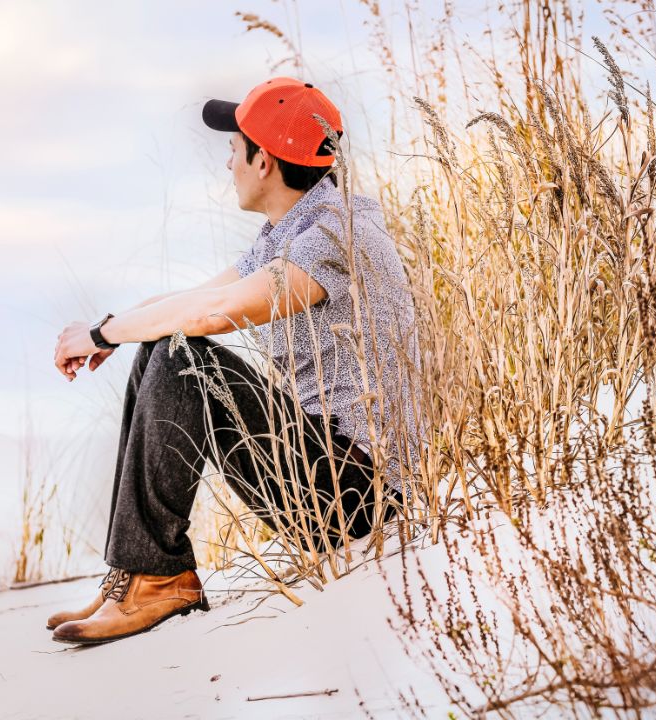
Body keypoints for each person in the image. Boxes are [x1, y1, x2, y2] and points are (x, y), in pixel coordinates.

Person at [46, 77, 422, 645]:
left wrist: (104, 332)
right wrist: (109, 332)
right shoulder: (288, 230)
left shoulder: (336, 233)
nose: (228, 162)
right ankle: (132, 572)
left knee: (181, 351)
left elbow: (213, 315)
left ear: (264, 161)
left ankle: (159, 575)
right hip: (321, 470)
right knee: (161, 344)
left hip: (358, 496)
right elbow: (191, 301)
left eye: (234, 147)